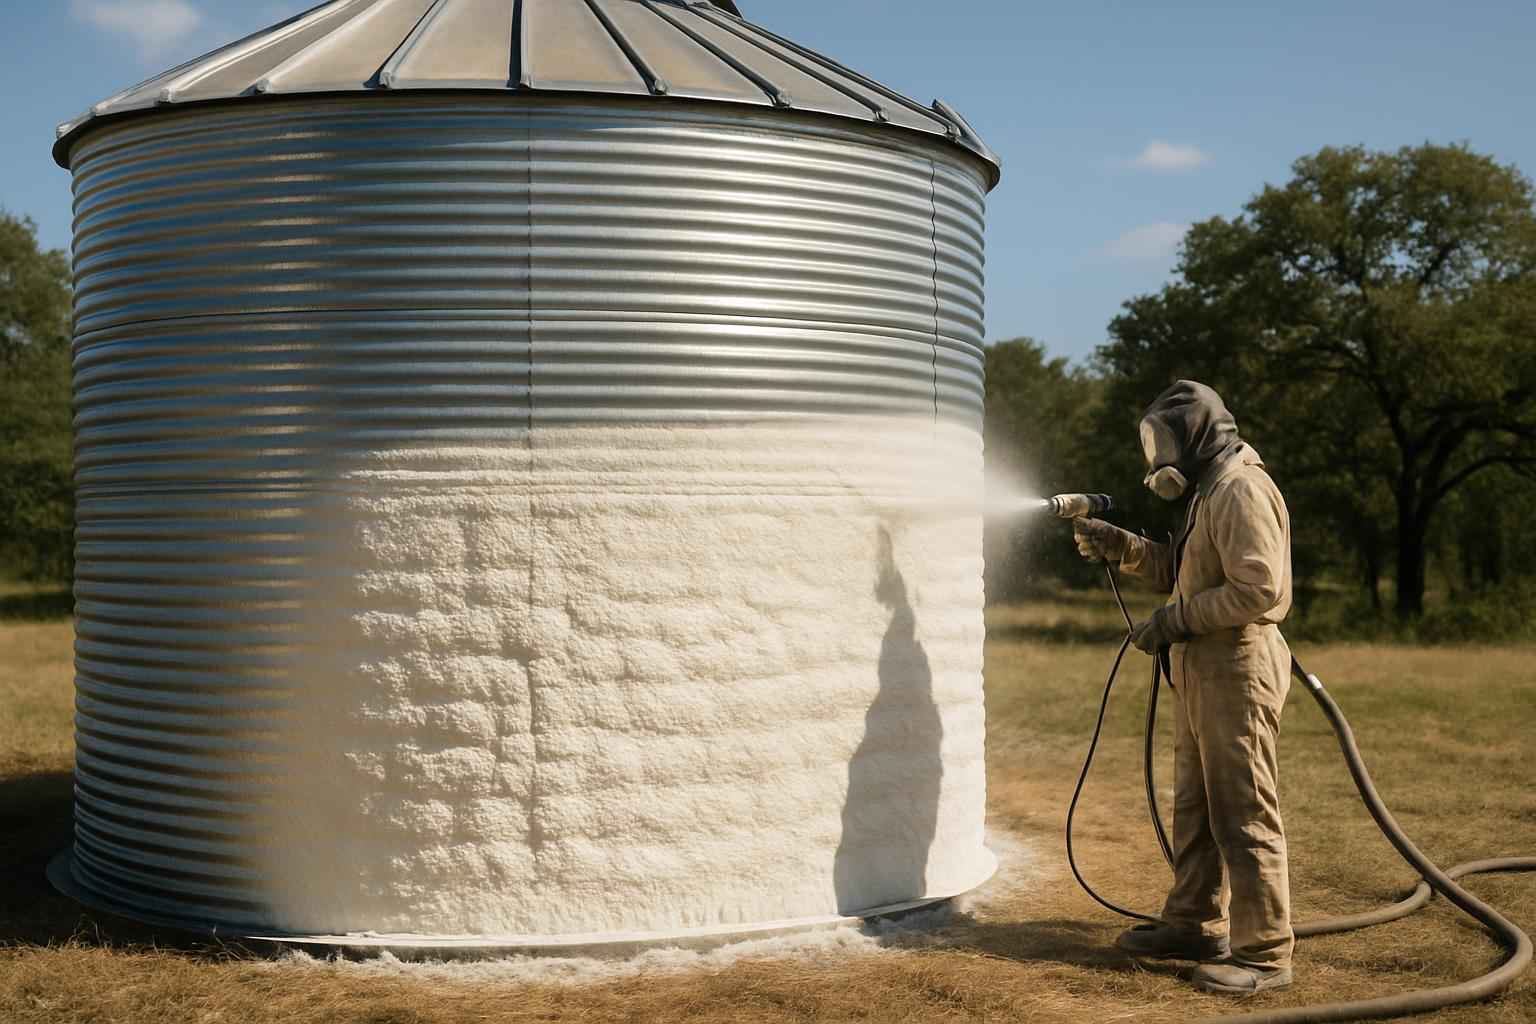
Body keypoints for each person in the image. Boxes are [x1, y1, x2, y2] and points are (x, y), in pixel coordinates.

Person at [1071, 380, 1295, 996]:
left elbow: (1259, 590)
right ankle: (1194, 921)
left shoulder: (1242, 489)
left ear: (1198, 436)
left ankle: (1265, 954)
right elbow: (1186, 572)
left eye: (1166, 441)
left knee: (1243, 811)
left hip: (1237, 672)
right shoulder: (1211, 489)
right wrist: (1125, 548)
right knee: (1196, 809)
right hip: (1202, 671)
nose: (1160, 457)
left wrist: (1173, 620)